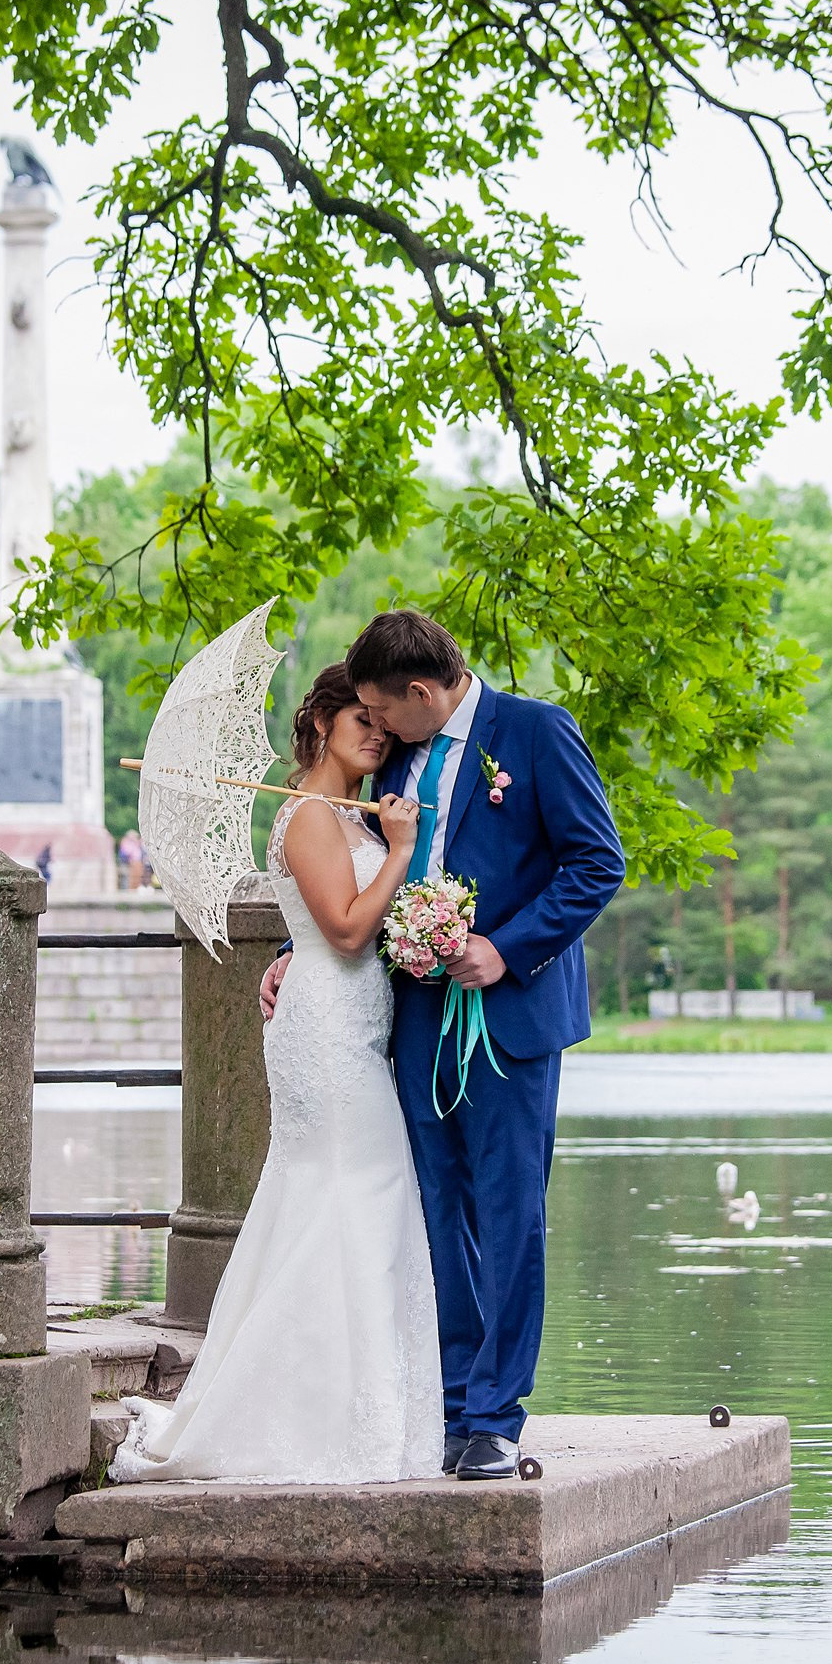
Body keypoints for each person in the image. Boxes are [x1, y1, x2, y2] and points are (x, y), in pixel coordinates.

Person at [258, 610, 622, 1481]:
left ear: (423, 692)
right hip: (413, 1017)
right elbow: (351, 871)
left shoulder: (534, 733)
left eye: (386, 712)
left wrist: (507, 948)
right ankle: (452, 1399)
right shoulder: (404, 755)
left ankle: (497, 1414)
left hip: (508, 1018)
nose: (377, 731)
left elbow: (596, 861)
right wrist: (289, 953)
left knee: (509, 1212)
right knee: (432, 1208)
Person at [112, 664, 439, 1483]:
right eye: (360, 718)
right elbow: (348, 926)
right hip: (325, 1035)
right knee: (349, 1195)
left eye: (383, 723)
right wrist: (400, 852)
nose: (377, 733)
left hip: (352, 1024)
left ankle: (352, 1405)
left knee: (348, 1200)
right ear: (322, 722)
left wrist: (297, 945)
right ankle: (316, 1417)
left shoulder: (346, 815)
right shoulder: (308, 817)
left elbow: (320, 929)